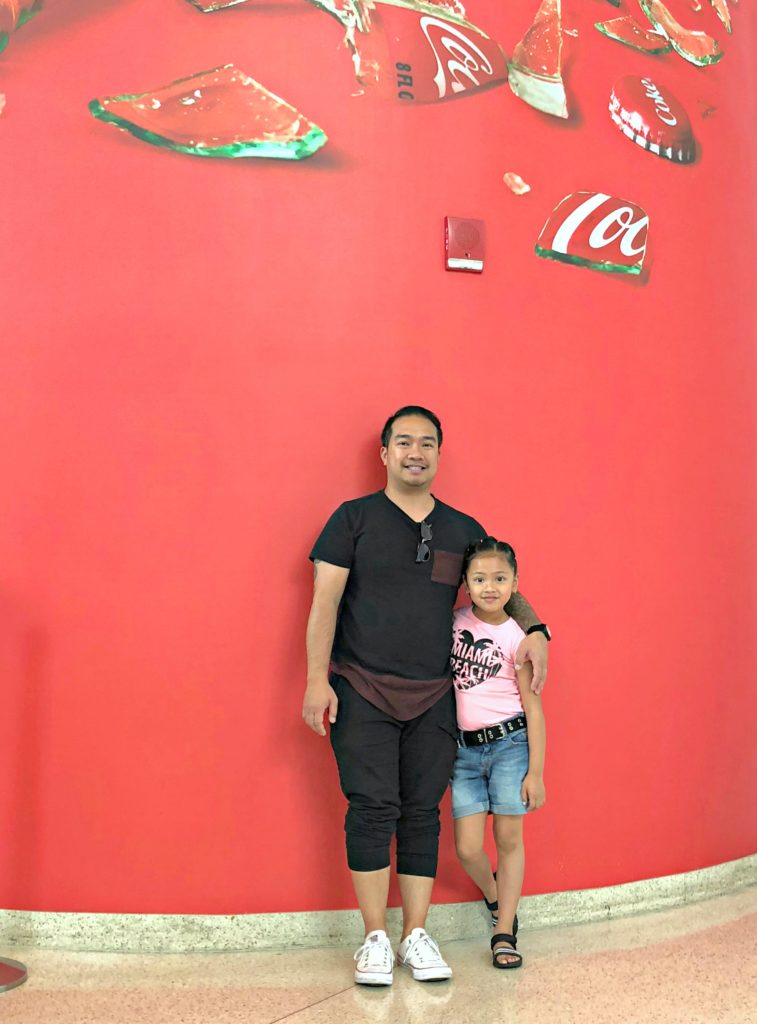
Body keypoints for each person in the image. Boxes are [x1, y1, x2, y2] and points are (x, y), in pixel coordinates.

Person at [302, 406, 550, 986]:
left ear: (439, 454)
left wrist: (537, 628)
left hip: (436, 696)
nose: (417, 452)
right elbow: (324, 603)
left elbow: (501, 588)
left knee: (421, 816)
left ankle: (415, 933)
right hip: (361, 688)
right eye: (405, 442)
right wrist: (317, 679)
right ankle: (374, 939)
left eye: (428, 443)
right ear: (385, 453)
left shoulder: (462, 529)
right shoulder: (352, 519)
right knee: (370, 810)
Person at [450, 537, 546, 970]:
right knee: (469, 848)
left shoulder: (519, 637)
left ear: (515, 583)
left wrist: (536, 772)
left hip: (510, 746)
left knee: (508, 840)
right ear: (466, 584)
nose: (490, 587)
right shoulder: (452, 623)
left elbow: (534, 709)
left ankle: (504, 930)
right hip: (463, 753)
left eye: (500, 578)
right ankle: (493, 896)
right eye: (481, 579)